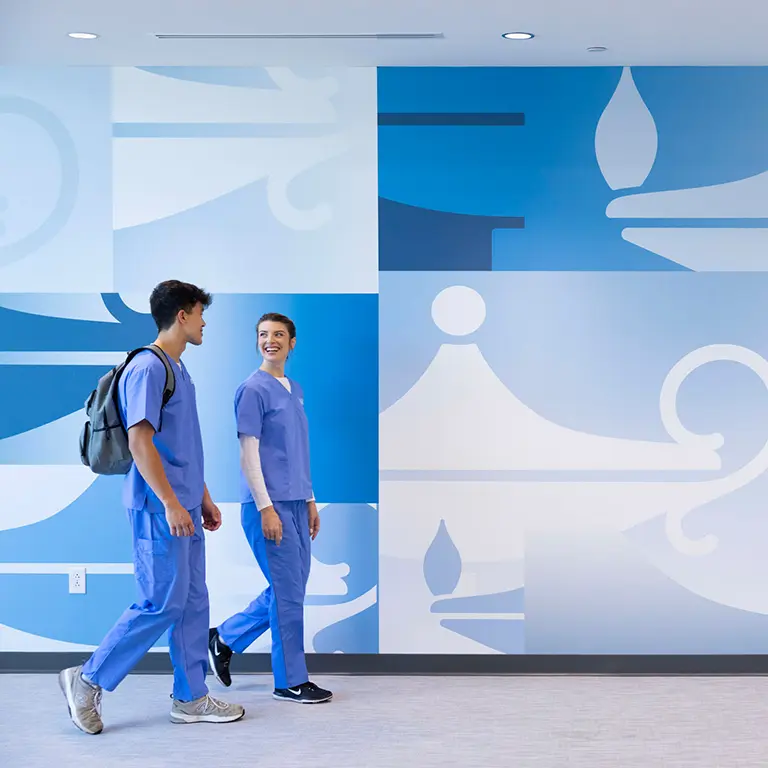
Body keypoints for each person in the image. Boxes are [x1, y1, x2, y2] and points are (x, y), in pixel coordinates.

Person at [59, 280, 245, 734]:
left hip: (182, 506)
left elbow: (180, 444)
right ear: (182, 314)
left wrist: (200, 497)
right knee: (161, 601)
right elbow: (141, 442)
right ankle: (86, 680)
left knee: (192, 602)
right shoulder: (149, 367)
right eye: (201, 314)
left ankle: (191, 697)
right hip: (158, 508)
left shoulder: (179, 370)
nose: (204, 323)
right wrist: (170, 502)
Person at [208, 312, 332, 704]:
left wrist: (310, 501)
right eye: (263, 334)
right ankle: (290, 680)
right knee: (289, 593)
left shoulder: (294, 389)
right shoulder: (252, 389)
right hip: (269, 505)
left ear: (292, 342)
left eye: (278, 334)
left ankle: (225, 637)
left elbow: (298, 453)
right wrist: (266, 508)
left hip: (297, 502)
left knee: (289, 589)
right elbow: (249, 455)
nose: (270, 340)